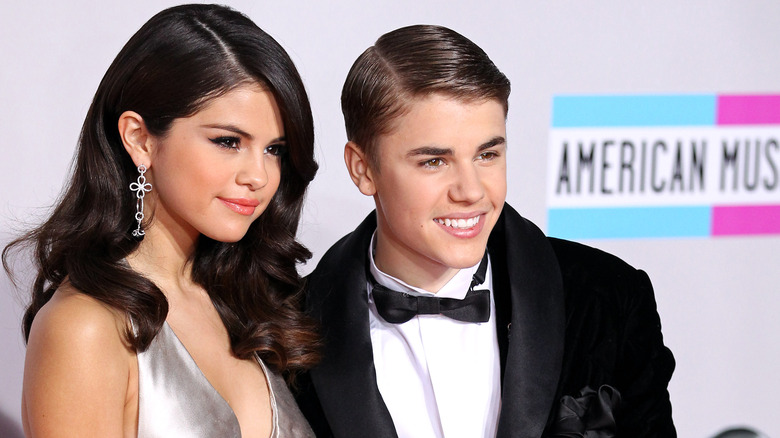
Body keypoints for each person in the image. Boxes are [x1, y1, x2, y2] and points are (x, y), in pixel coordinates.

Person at [295, 25, 676, 437]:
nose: (472, 191)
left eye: (487, 154)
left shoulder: (606, 299)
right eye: (434, 161)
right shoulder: (287, 329)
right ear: (363, 169)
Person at [3, 4, 318, 437]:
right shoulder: (85, 327)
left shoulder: (249, 304)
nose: (259, 177)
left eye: (274, 150)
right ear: (140, 139)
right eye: (228, 141)